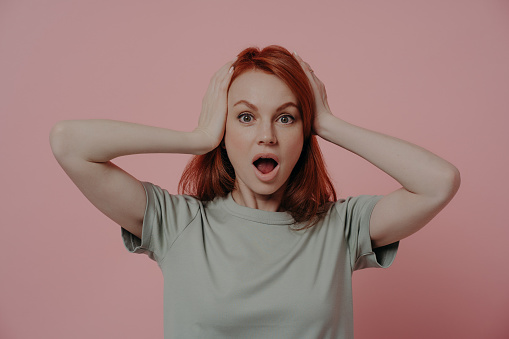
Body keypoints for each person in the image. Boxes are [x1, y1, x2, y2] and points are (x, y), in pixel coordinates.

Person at [49, 45, 460, 339]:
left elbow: (438, 182)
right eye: (246, 117)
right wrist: (198, 137)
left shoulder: (341, 227)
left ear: (305, 133)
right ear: (225, 132)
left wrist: (329, 121)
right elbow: (69, 142)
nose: (267, 136)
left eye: (286, 118)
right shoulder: (177, 223)